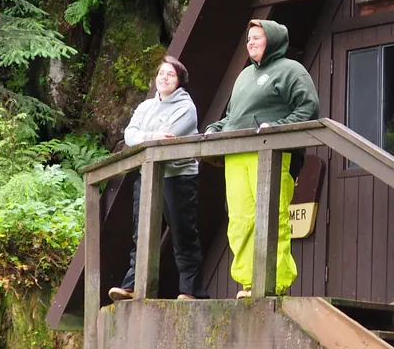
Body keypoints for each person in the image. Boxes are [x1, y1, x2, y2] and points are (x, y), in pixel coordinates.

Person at [204, 20, 319, 297]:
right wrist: (214, 129)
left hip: (273, 154)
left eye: (257, 37)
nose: (251, 43)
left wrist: (278, 127)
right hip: (236, 155)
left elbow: (308, 107)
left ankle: (274, 284)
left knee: (271, 218)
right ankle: (248, 282)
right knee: (240, 219)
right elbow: (233, 118)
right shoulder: (243, 76)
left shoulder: (292, 70)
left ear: (274, 39)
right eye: (248, 39)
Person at [107, 56, 207, 301]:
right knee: (141, 232)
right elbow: (130, 134)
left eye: (170, 74)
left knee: (183, 233)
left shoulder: (186, 107)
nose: (164, 78)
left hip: (178, 176)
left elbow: (168, 139)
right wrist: (151, 135)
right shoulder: (146, 107)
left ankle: (191, 291)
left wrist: (148, 136)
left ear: (179, 81)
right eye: (161, 73)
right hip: (148, 175)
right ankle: (132, 287)